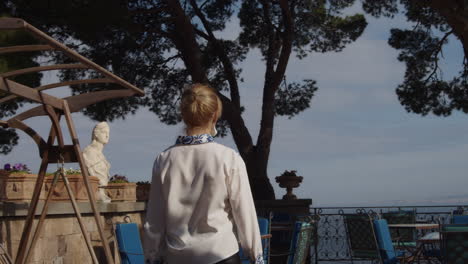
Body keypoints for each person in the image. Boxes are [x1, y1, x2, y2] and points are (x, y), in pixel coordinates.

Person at [143, 84, 264, 264]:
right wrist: (257, 256)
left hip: (177, 258)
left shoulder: (164, 160)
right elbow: (244, 213)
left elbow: (154, 219)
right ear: (215, 115)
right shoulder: (228, 158)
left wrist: (152, 256)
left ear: (183, 115)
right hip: (221, 255)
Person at [83, 121, 112, 203]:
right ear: (96, 134)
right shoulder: (89, 152)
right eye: (104, 132)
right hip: (95, 193)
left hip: (102, 193)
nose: (107, 135)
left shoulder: (101, 154)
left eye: (108, 133)